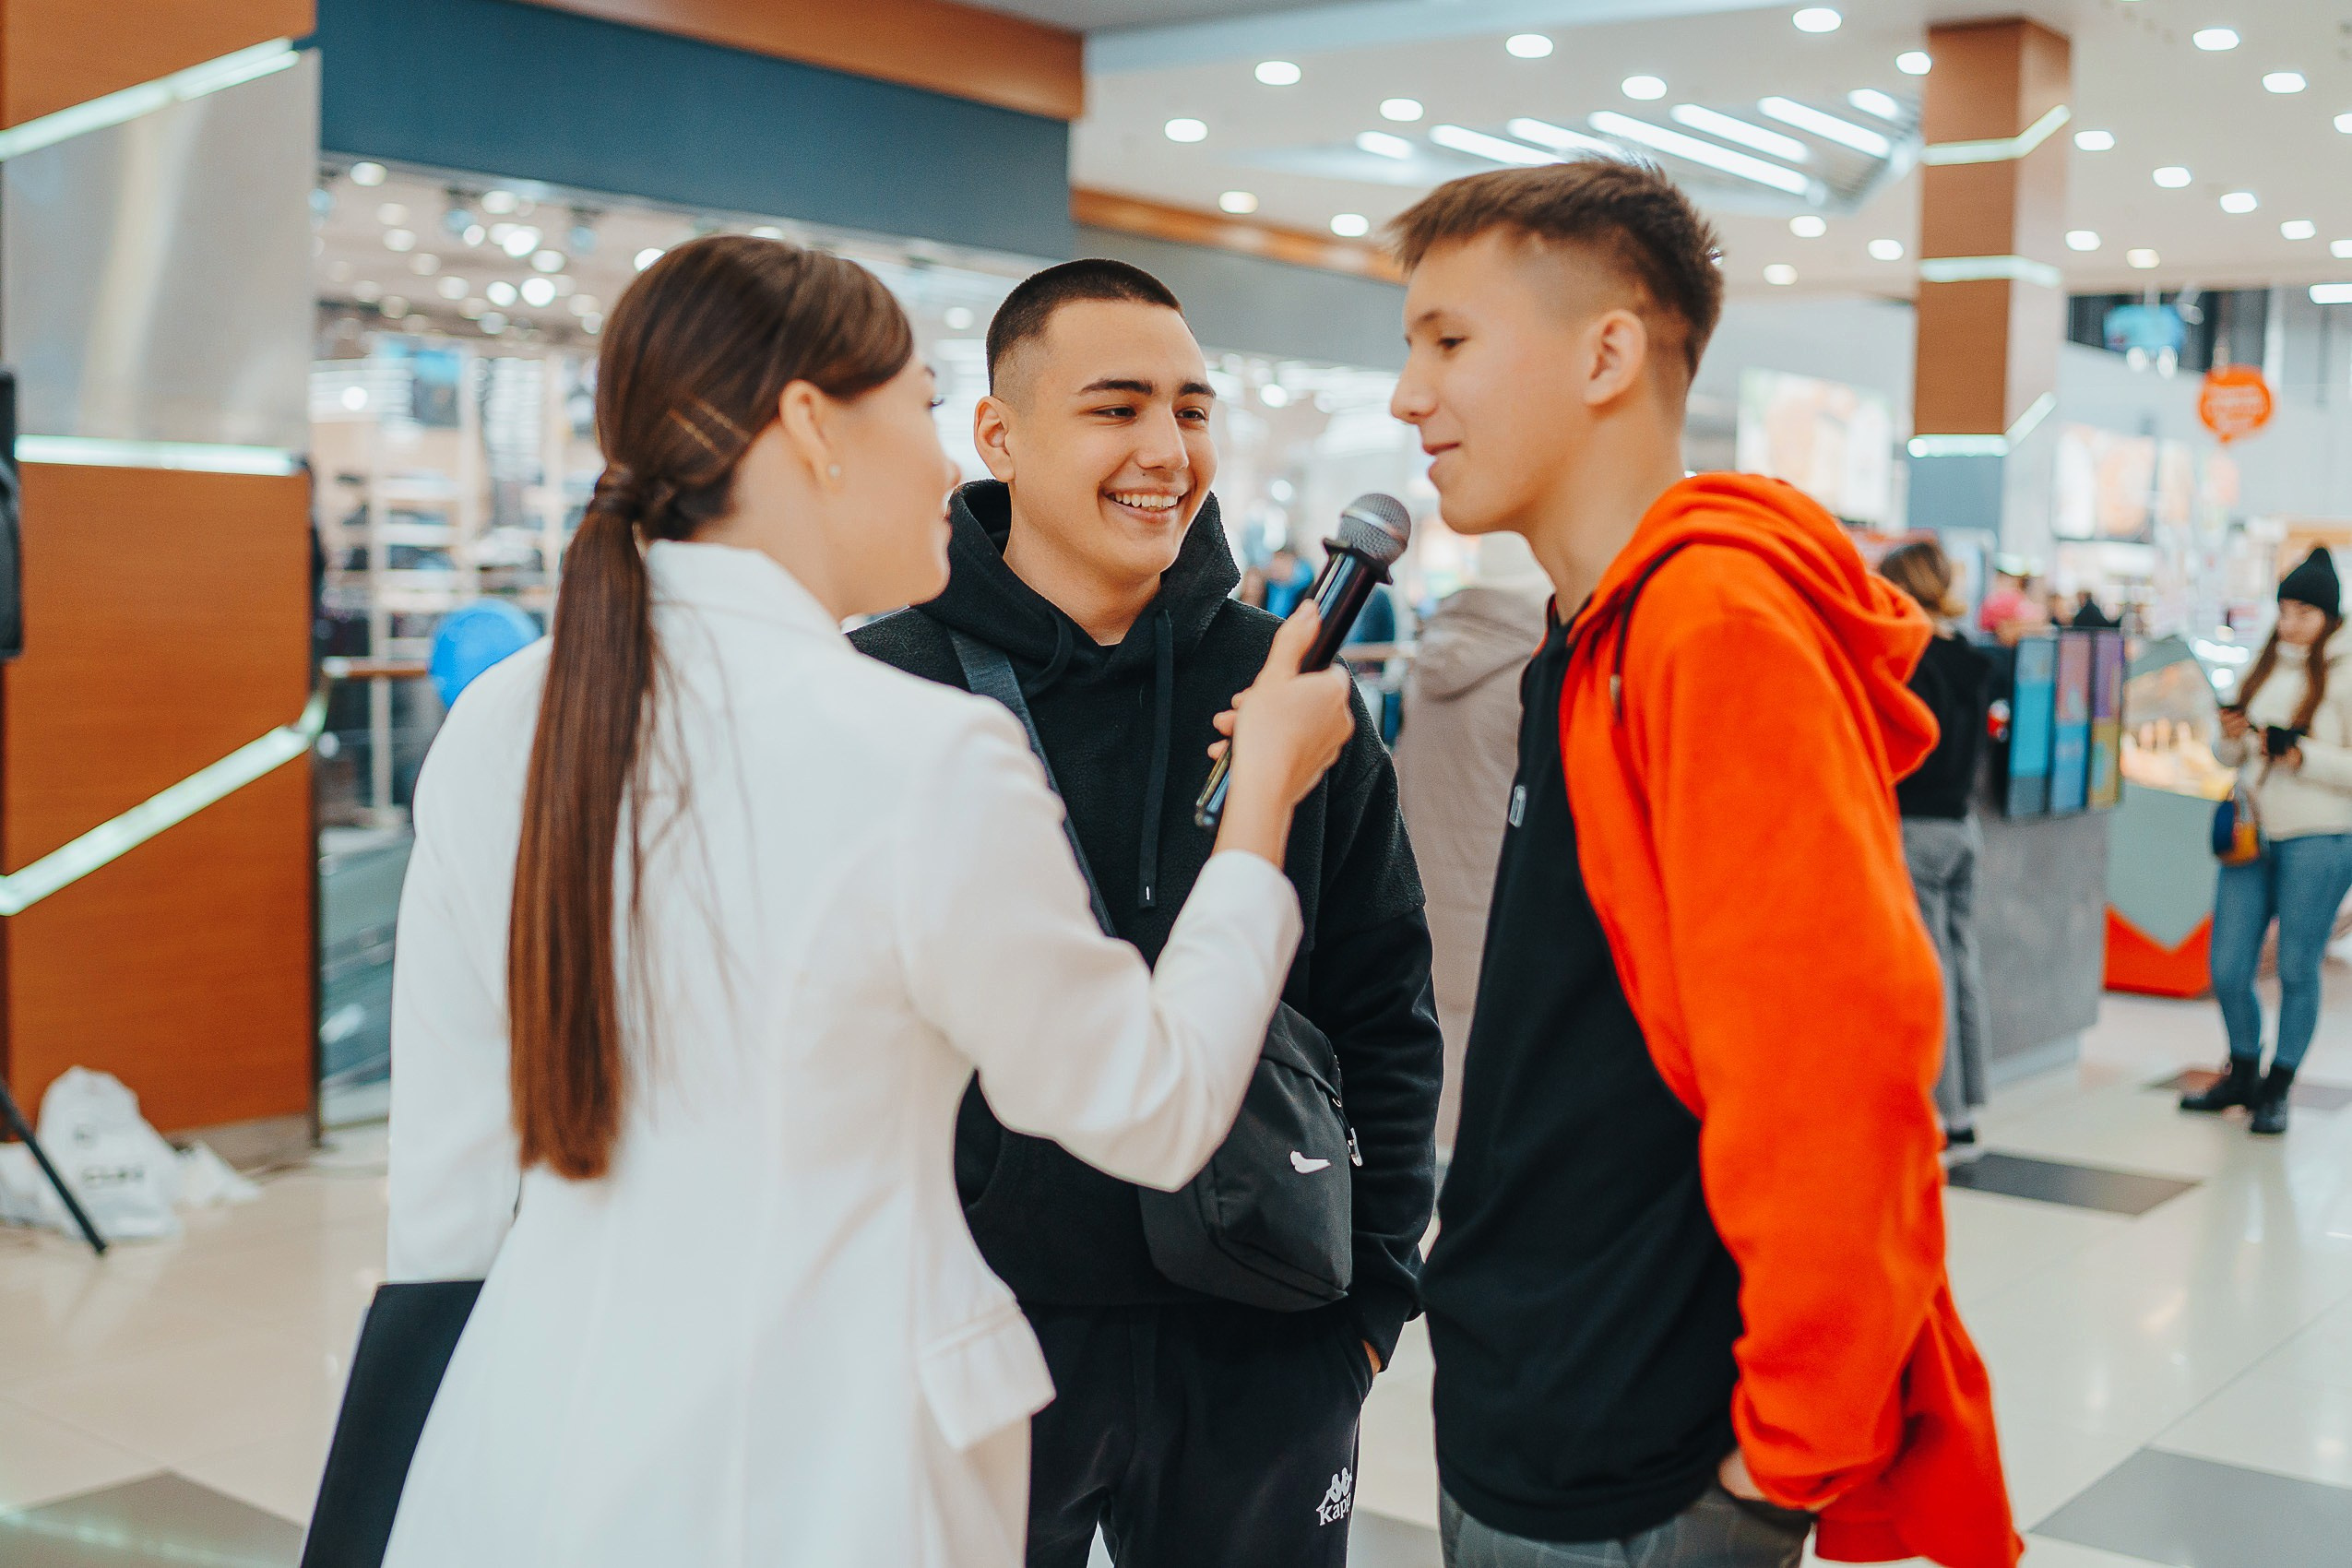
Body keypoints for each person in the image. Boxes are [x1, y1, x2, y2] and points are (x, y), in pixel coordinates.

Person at [380, 236, 1359, 1566]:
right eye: (917, 406)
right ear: (810, 430)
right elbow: (1159, 1106)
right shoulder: (916, 751)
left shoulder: (509, 720)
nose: (948, 463)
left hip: (531, 1439)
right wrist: (1257, 816)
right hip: (828, 1466)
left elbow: (445, 1190)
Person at [1385, 161, 2017, 1568]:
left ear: (1608, 350)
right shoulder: (1590, 629)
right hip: (1534, 1398)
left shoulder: (1709, 626)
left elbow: (1842, 1062)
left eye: (1448, 341)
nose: (1406, 396)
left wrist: (1774, 1460)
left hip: (1642, 1461)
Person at [854, 258, 1443, 1568]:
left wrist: (1365, 1311)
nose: (1165, 451)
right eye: (1115, 408)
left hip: (1263, 1334)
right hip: (971, 1339)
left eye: (1190, 409)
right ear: (997, 436)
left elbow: (1381, 1009)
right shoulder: (884, 687)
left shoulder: (1290, 690)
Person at [2182, 547, 2352, 1135]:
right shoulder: (2264, 664)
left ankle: (2278, 1087)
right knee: (2228, 965)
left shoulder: (2347, 670)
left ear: (2328, 615)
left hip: (2321, 837)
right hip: (2251, 832)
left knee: (2299, 966)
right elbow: (2225, 754)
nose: (2291, 621)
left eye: (2304, 610)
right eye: (2285, 608)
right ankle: (2243, 1068)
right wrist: (2232, 737)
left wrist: (2303, 754)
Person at [1395, 533, 1550, 1150]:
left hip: (1422, 885)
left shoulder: (1434, 658)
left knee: (1438, 1040)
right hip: (1502, 895)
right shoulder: (1537, 667)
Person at [1880, 540, 1995, 1149]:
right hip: (1961, 826)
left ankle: (1946, 1116)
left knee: (1932, 973)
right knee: (1962, 961)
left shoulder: (1910, 659)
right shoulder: (1970, 659)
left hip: (1916, 828)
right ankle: (1970, 1099)